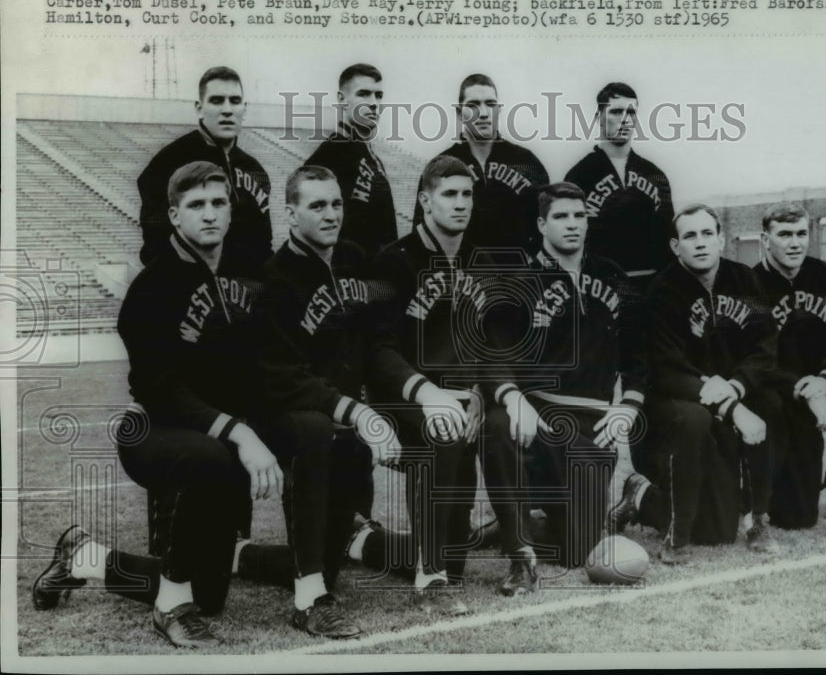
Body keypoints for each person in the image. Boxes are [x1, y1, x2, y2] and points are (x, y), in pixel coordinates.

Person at [34, 162, 281, 647]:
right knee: (206, 455)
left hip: (214, 433)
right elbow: (160, 389)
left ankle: (84, 558)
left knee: (207, 595)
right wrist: (241, 432)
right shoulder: (151, 289)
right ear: (173, 215)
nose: (209, 215)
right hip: (151, 428)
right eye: (196, 206)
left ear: (231, 210)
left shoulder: (245, 273)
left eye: (218, 203)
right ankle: (168, 608)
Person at [251, 165, 405, 638]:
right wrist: (356, 412)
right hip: (289, 417)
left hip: (346, 418)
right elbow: (283, 377)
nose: (331, 214)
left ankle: (241, 554)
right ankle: (308, 603)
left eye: (336, 203)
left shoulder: (357, 259)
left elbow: (377, 343)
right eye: (317, 205)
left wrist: (389, 404)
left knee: (324, 560)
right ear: (291, 213)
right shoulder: (274, 281)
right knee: (314, 430)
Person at [480, 182, 645, 595]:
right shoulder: (517, 279)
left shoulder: (611, 275)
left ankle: (520, 525)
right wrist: (512, 397)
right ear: (542, 223)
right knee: (497, 424)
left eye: (579, 216)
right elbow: (492, 353)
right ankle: (520, 554)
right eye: (561, 216)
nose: (572, 224)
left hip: (590, 424)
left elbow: (639, 356)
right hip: (535, 418)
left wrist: (628, 405)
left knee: (579, 553)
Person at [616, 204, 781, 564]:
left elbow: (765, 348)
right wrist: (732, 407)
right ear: (676, 247)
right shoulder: (662, 290)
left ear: (721, 239)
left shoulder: (745, 281)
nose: (701, 243)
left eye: (708, 233)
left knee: (769, 401)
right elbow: (667, 368)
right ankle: (672, 528)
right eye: (690, 236)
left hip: (727, 396)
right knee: (695, 419)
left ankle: (757, 519)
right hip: (676, 408)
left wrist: (737, 387)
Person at [369, 155, 491, 616]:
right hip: (402, 397)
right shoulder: (394, 261)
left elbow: (487, 341)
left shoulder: (480, 258)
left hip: (463, 396)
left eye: (467, 194)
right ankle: (430, 574)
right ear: (424, 200)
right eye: (449, 194)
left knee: (458, 552)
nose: (460, 204)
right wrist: (428, 394)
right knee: (440, 430)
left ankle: (372, 546)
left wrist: (479, 390)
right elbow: (379, 352)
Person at [753, 202, 826, 531]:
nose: (794, 243)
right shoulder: (750, 284)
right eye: (784, 234)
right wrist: (805, 389)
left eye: (801, 234)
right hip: (775, 391)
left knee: (800, 519)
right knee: (785, 516)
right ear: (765, 239)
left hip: (820, 388)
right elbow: (753, 355)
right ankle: (818, 476)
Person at [137, 67, 272, 272]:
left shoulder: (254, 169)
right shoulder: (169, 161)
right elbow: (156, 245)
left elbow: (263, 243)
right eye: (217, 100)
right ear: (199, 108)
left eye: (234, 101)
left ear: (244, 108)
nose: (227, 109)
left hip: (243, 291)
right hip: (190, 289)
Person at [410, 73, 550, 261]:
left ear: (499, 110)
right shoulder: (440, 166)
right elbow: (421, 236)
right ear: (459, 113)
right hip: (462, 281)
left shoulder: (527, 163)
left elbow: (548, 232)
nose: (483, 113)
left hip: (517, 282)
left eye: (490, 104)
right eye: (473, 105)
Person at [563, 82, 674, 287]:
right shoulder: (579, 177)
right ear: (599, 118)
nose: (625, 120)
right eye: (616, 112)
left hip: (650, 289)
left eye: (631, 113)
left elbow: (667, 242)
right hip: (601, 288)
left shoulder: (654, 176)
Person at [305, 63, 398, 259]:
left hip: (378, 278)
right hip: (349, 281)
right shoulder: (326, 158)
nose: (374, 103)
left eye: (378, 95)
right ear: (342, 100)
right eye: (363, 94)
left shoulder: (373, 158)